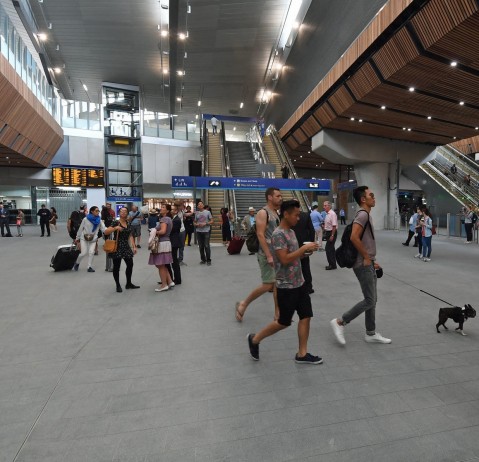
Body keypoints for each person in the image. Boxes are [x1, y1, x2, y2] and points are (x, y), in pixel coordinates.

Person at [247, 200, 322, 364]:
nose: (298, 218)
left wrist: (305, 253)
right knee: (283, 322)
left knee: (306, 316)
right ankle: (255, 339)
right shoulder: (278, 234)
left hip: (299, 282)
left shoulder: (291, 232)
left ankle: (302, 354)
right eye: (296, 214)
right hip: (286, 287)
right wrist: (302, 250)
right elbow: (284, 259)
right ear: (286, 214)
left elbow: (293, 255)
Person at [330, 186, 391, 345]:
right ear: (363, 199)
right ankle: (340, 321)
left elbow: (363, 240)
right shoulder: (363, 215)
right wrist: (365, 257)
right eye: (371, 195)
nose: (374, 198)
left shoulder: (366, 215)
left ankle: (370, 333)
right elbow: (354, 237)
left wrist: (371, 259)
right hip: (362, 263)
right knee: (370, 300)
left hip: (367, 261)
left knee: (372, 299)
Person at [235, 187, 282, 322]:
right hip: (266, 254)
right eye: (278, 196)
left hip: (275, 253)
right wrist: (268, 255)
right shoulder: (263, 212)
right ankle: (243, 304)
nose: (280, 198)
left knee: (276, 284)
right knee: (268, 285)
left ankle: (277, 313)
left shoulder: (275, 212)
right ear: (270, 197)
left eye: (280, 196)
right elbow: (260, 235)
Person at [103, 206, 139, 292]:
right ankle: (118, 285)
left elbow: (130, 235)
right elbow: (106, 231)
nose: (123, 212)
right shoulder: (115, 222)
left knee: (130, 264)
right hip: (117, 246)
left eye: (125, 211)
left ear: (127, 213)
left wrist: (134, 246)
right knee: (117, 266)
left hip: (126, 246)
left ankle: (128, 283)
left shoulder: (128, 222)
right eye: (122, 211)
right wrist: (115, 228)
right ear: (119, 213)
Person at [149, 204, 174, 292]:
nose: (161, 208)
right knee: (161, 264)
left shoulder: (164, 219)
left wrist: (154, 231)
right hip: (166, 242)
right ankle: (169, 281)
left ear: (167, 211)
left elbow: (163, 231)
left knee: (160, 264)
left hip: (162, 243)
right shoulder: (169, 219)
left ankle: (164, 284)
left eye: (163, 207)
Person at [73, 206, 106, 272]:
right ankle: (77, 263)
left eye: (98, 211)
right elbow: (80, 228)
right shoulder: (85, 219)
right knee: (83, 253)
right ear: (92, 211)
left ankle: (89, 267)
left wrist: (111, 229)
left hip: (93, 238)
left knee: (91, 252)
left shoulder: (99, 220)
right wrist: (77, 238)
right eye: (96, 211)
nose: (98, 212)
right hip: (84, 238)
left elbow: (104, 228)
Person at [291, 209, 316, 294]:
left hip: (292, 244)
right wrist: (312, 243)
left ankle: (296, 287)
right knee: (306, 266)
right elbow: (312, 230)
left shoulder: (289, 216)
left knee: (293, 266)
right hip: (304, 244)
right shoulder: (306, 215)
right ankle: (308, 287)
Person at [194, 201, 213, 265]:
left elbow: (212, 221)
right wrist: (196, 224)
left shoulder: (208, 212)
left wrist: (206, 223)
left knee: (206, 245)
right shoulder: (196, 213)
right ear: (197, 206)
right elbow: (194, 222)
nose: (200, 205)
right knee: (201, 246)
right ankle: (203, 259)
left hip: (206, 231)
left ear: (203, 205)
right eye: (199, 204)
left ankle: (208, 260)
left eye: (201, 204)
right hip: (199, 231)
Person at [323, 201, 337, 270]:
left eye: (325, 205)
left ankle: (332, 265)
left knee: (328, 249)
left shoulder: (332, 214)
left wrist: (332, 235)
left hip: (332, 232)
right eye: (324, 205)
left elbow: (334, 226)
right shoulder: (327, 214)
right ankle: (333, 264)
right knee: (331, 249)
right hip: (328, 232)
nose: (324, 207)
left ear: (329, 206)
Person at [170, 204, 182, 285]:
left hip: (174, 242)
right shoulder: (173, 219)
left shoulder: (177, 220)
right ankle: (172, 278)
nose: (171, 211)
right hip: (173, 241)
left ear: (176, 211)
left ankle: (177, 279)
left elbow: (173, 230)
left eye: (172, 209)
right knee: (173, 261)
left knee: (174, 261)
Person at [174, 201, 187, 266]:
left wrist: (192, 213)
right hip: (175, 231)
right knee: (175, 246)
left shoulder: (182, 211)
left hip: (182, 230)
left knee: (182, 246)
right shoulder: (173, 212)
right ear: (178, 206)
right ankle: (175, 260)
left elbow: (185, 215)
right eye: (182, 205)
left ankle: (180, 260)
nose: (183, 207)